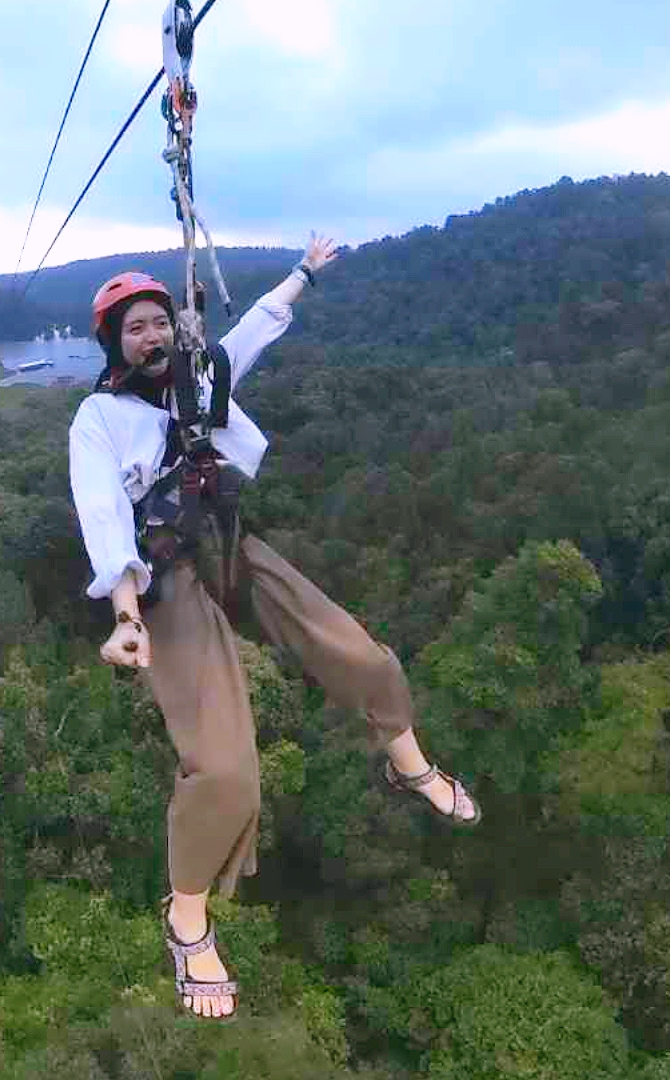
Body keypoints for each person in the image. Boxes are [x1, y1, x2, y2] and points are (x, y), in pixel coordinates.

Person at [68, 232, 481, 1021]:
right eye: (136, 328)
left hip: (228, 544)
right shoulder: (100, 419)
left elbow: (251, 331)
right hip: (163, 578)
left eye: (161, 321)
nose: (153, 335)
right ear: (114, 344)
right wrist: (125, 612)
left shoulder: (200, 380)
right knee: (225, 771)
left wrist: (304, 275)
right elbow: (101, 516)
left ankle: (410, 767)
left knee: (366, 657)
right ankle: (187, 920)